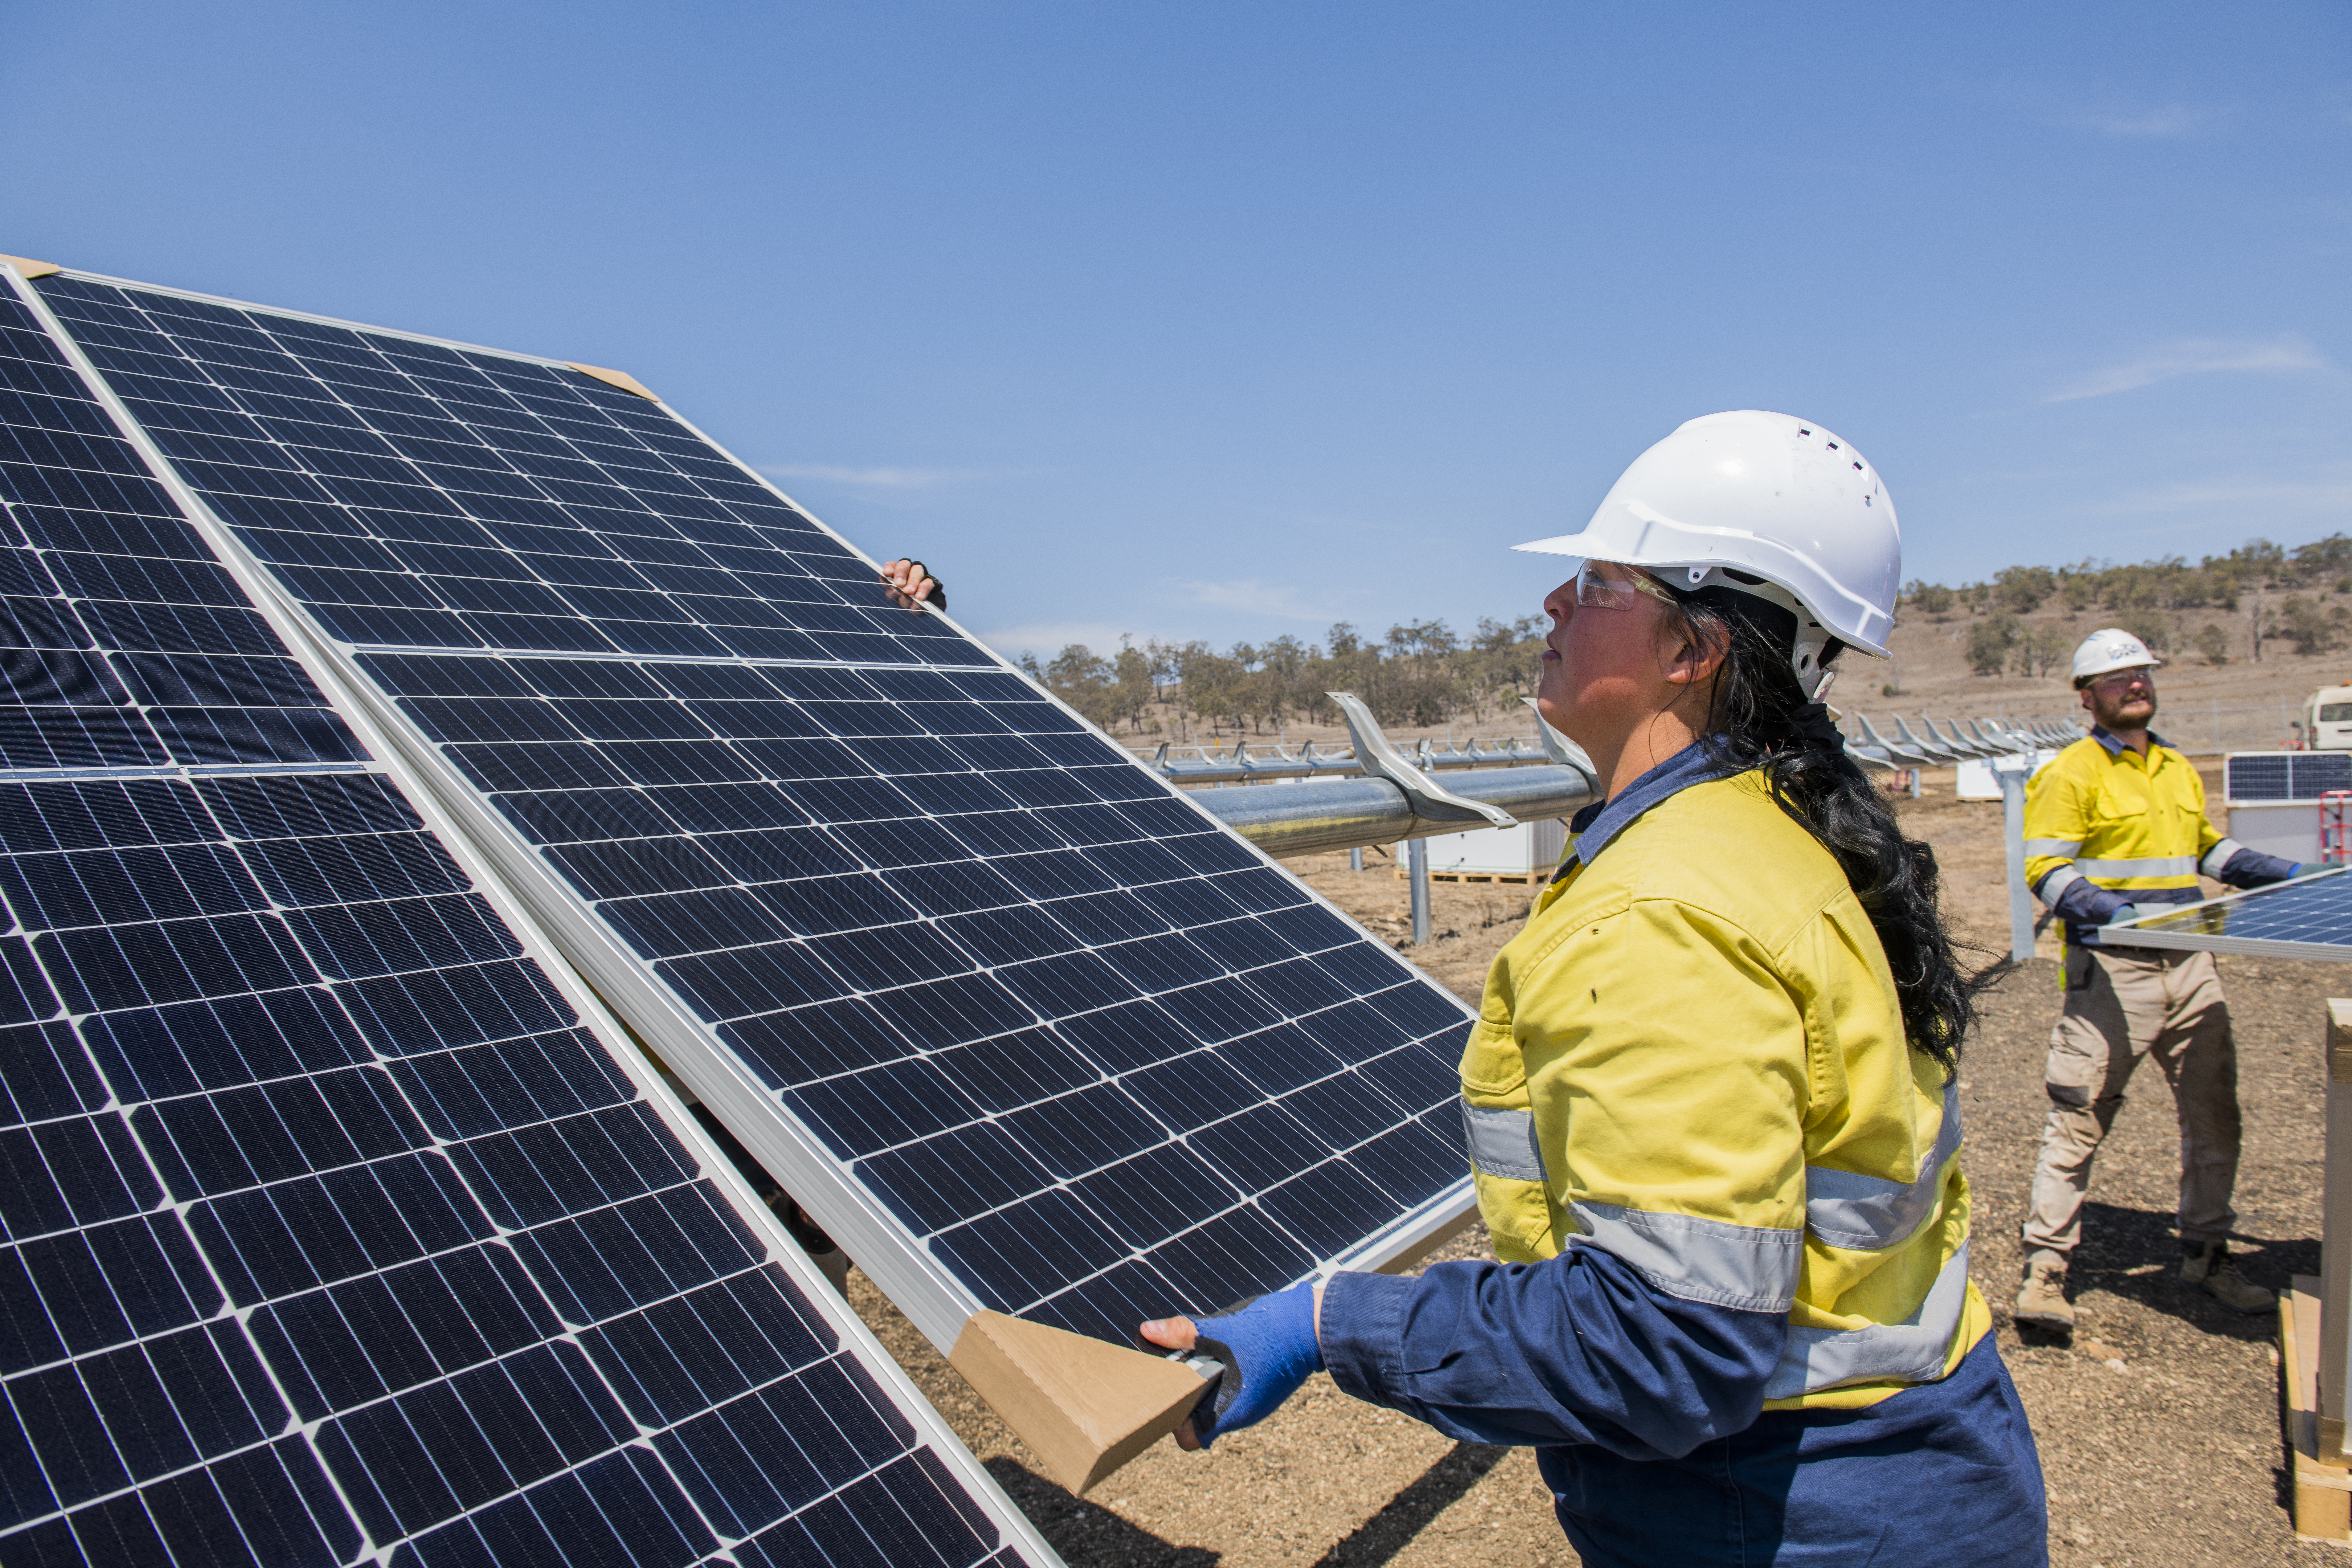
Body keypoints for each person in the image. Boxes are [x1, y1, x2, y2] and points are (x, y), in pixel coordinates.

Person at [1140, 411, 2047, 1566]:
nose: (1553, 605)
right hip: (1898, 1470)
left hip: (1789, 1509)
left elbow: (1664, 1340)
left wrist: (1328, 1320)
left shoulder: (1666, 911)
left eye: (1598, 580)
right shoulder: (1760, 837)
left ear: (1694, 649)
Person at [2013, 631, 2300, 1331]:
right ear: (2088, 696)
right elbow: (2046, 870)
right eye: (2118, 679)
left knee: (2215, 1116)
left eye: (2141, 674)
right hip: (2113, 969)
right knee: (2080, 1119)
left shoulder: (2175, 766)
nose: (2135, 685)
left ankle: (2206, 1252)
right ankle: (2046, 1271)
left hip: (2191, 965)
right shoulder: (2072, 772)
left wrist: (2292, 873)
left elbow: (2209, 849)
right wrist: (2119, 913)